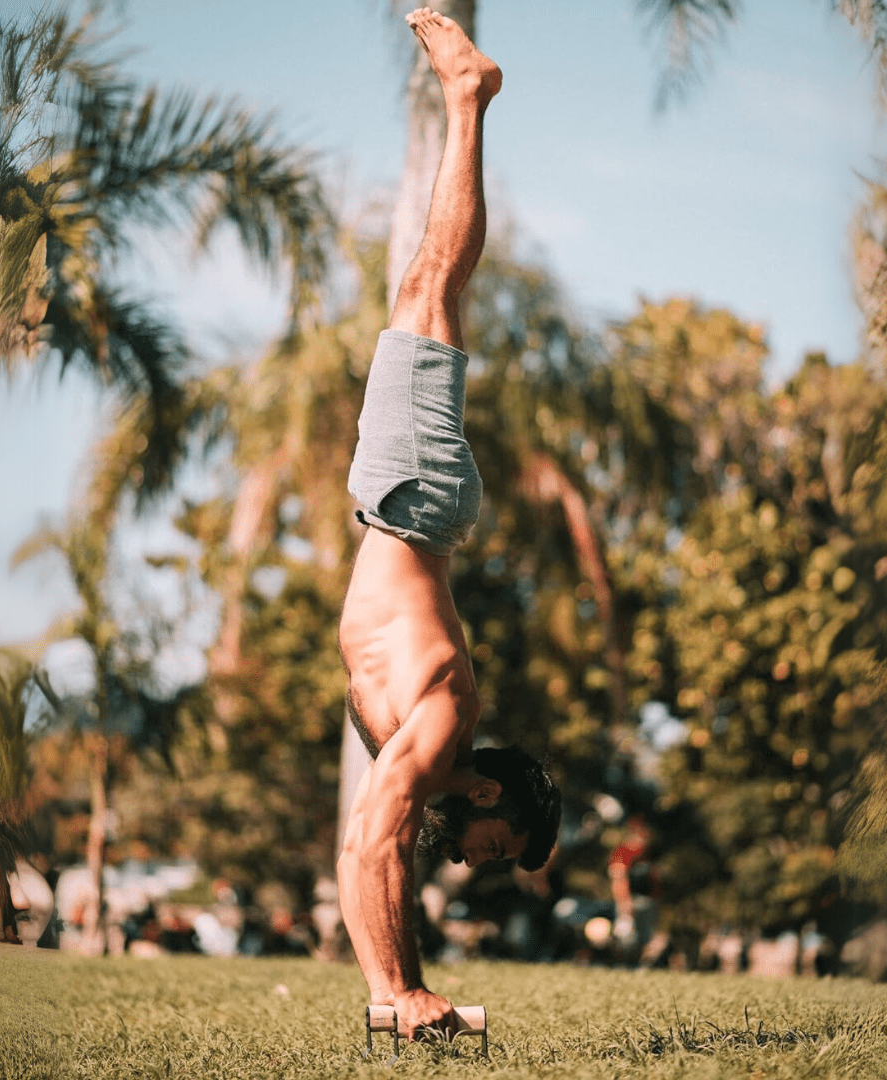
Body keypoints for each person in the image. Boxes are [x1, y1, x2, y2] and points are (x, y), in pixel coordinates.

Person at [337, 8, 561, 1039]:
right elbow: (365, 847)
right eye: (503, 845)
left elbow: (384, 852)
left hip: (411, 508)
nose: (484, 861)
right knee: (431, 278)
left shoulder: (427, 750)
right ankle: (466, 96)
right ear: (496, 799)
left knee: (434, 282)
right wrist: (399, 993)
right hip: (415, 501)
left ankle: (468, 99)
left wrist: (404, 991)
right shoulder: (440, 726)